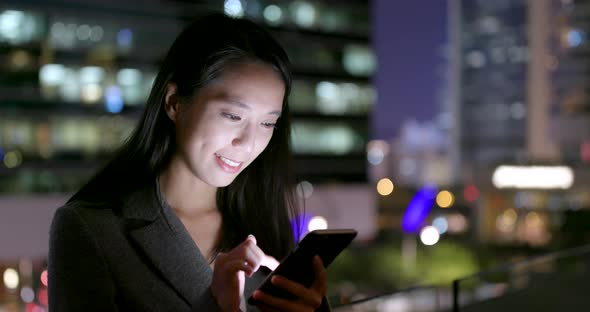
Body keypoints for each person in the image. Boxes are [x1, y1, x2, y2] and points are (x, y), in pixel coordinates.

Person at [48, 13, 330, 311]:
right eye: (232, 116)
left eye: (267, 124)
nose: (248, 143)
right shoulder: (93, 229)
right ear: (174, 102)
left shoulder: (263, 221)